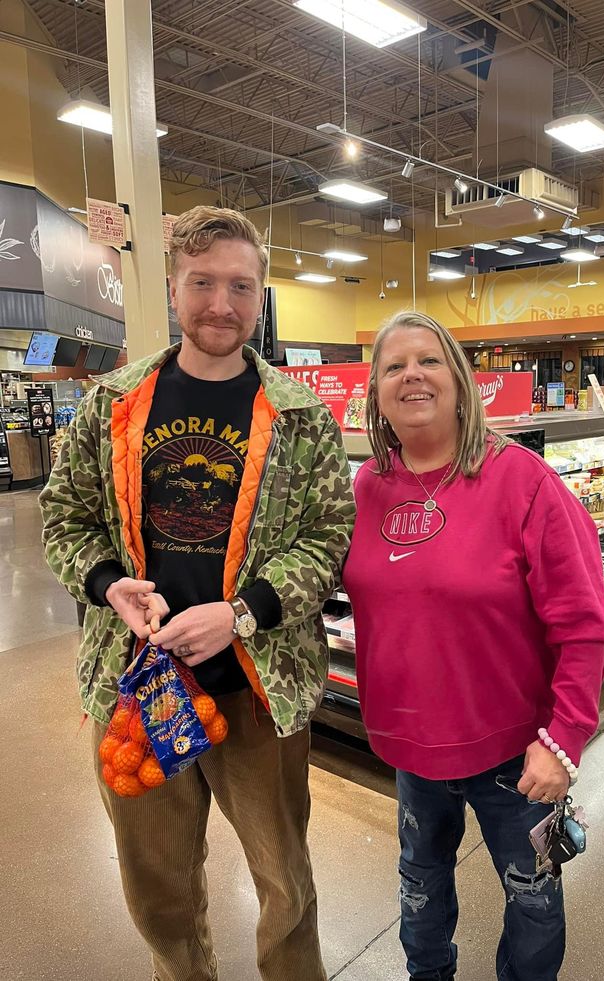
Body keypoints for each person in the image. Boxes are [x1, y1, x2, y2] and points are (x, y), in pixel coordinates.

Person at [40, 205, 355, 981]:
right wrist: (111, 587)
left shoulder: (300, 416)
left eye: (241, 286)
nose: (222, 303)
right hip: (138, 685)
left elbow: (328, 535)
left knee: (285, 882)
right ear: (174, 288)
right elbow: (64, 518)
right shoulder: (113, 405)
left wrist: (243, 612)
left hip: (259, 689)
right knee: (158, 888)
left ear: (261, 294)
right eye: (204, 283)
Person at [342, 311, 604, 981]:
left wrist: (563, 740)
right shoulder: (366, 488)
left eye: (429, 360)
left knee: (533, 898)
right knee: (420, 890)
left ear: (461, 382)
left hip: (516, 755)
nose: (412, 374)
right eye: (394, 364)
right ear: (375, 390)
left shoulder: (523, 481)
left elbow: (584, 623)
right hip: (412, 749)